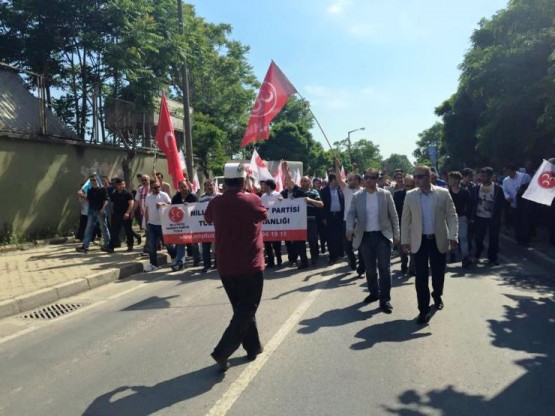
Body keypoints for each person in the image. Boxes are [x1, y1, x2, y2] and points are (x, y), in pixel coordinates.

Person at [204, 162, 268, 371]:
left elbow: (207, 219)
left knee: (242, 309)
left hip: (226, 266)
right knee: (247, 309)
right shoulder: (253, 199)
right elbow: (263, 215)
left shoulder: (216, 203)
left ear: (224, 182)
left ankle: (253, 347)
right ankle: (222, 351)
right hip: (250, 266)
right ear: (242, 181)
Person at [401, 166, 458, 324]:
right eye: (415, 177)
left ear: (429, 176)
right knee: (420, 277)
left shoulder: (443, 193)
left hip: (438, 239)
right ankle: (423, 309)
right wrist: (404, 240)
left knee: (438, 273)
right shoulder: (410, 196)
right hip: (419, 241)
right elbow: (405, 220)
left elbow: (452, 216)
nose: (417, 179)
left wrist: (453, 235)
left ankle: (437, 294)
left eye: (420, 176)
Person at [346, 168, 400, 313]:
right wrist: (349, 228)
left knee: (384, 269)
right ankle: (373, 293)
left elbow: (393, 216)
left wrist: (396, 234)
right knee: (370, 269)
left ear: (377, 179)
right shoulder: (357, 196)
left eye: (371, 177)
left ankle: (385, 299)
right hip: (365, 237)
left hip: (382, 236)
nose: (368, 179)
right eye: (366, 177)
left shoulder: (385, 195)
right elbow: (351, 214)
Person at [470, 167, 505, 265]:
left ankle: (493, 258)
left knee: (494, 238)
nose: (482, 178)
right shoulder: (476, 188)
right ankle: (477, 254)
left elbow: (502, 205)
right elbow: (473, 203)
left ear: (490, 176)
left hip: (493, 217)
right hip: (479, 217)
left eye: (485, 176)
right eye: (481, 176)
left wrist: (502, 218)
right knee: (478, 238)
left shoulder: (498, 188)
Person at [335, 160, 365, 275]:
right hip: (347, 222)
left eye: (351, 179)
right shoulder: (346, 190)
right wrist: (337, 166)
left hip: (360, 223)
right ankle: (352, 260)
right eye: (348, 179)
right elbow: (339, 179)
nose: (348, 181)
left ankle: (361, 268)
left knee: (362, 247)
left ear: (357, 180)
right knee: (348, 246)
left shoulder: (364, 191)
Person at [76, 173, 111, 253]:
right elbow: (89, 200)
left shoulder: (102, 189)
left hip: (100, 211)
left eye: (94, 180)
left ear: (97, 180)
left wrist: (103, 208)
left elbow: (106, 199)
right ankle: (85, 246)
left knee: (104, 228)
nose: (93, 181)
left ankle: (107, 245)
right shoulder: (90, 190)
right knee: (88, 229)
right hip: (91, 211)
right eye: (91, 180)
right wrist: (82, 196)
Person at [170, 180, 200, 271]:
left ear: (188, 187)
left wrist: (190, 206)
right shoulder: (175, 198)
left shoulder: (193, 197)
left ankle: (196, 259)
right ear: (179, 188)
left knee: (194, 242)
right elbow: (171, 209)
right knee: (180, 243)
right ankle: (180, 262)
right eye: (181, 187)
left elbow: (198, 209)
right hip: (181, 224)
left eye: (185, 186)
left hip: (191, 223)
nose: (183, 188)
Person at [144, 180, 171, 271]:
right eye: (155, 188)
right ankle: (153, 264)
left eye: (158, 187)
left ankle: (175, 257)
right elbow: (147, 210)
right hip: (152, 224)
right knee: (151, 246)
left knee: (168, 244)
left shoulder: (164, 195)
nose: (157, 189)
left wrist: (163, 204)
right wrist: (146, 223)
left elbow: (170, 205)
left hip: (163, 224)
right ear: (151, 188)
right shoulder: (148, 197)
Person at [502, 163, 532, 245]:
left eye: (506, 171)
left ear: (511, 170)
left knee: (524, 222)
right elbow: (504, 191)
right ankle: (518, 239)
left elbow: (531, 186)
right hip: (513, 205)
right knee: (516, 223)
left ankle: (525, 239)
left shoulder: (524, 177)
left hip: (524, 205)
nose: (505, 173)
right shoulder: (505, 181)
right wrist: (507, 197)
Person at [448, 171, 472, 267]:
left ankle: (465, 257)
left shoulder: (465, 192)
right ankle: (452, 254)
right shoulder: (447, 192)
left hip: (462, 217)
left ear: (457, 180)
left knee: (463, 237)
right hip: (449, 218)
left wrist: (467, 216)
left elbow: (470, 205)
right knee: (451, 237)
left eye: (451, 179)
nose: (449, 181)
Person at [320, 173, 345, 264]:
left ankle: (340, 253)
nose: (339, 181)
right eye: (337, 179)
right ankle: (332, 256)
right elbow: (321, 206)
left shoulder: (340, 190)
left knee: (339, 236)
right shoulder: (323, 191)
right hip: (329, 217)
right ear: (333, 180)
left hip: (339, 216)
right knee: (331, 238)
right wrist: (323, 218)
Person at [393, 175, 415, 275]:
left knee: (415, 246)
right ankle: (404, 261)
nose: (409, 188)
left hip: (415, 225)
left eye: (412, 186)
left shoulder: (418, 195)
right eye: (407, 186)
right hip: (401, 225)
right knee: (402, 247)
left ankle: (412, 268)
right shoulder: (397, 195)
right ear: (404, 185)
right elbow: (394, 212)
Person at [107, 178, 137, 253]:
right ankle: (111, 247)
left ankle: (130, 245)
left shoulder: (128, 193)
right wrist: (110, 215)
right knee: (114, 231)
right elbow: (112, 205)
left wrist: (127, 213)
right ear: (116, 185)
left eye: (123, 184)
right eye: (120, 184)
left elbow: (131, 204)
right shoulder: (114, 194)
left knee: (128, 231)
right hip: (116, 215)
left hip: (125, 215)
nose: (122, 186)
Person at [199, 179, 221, 272]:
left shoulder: (219, 196)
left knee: (217, 246)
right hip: (205, 226)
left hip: (216, 225)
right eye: (207, 186)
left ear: (213, 186)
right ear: (204, 187)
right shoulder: (201, 198)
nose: (209, 187)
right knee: (205, 246)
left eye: (210, 185)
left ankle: (217, 264)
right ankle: (206, 265)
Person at [261, 179, 283, 268]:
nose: (263, 187)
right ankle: (270, 261)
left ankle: (279, 260)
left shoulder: (278, 195)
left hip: (276, 223)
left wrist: (282, 200)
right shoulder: (263, 197)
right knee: (267, 244)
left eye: (264, 185)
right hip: (266, 224)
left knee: (276, 244)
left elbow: (283, 207)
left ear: (268, 186)